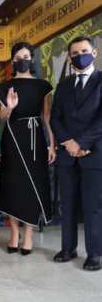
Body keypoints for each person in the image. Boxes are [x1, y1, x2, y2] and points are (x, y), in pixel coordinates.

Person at [0, 42, 56, 255]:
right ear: (13, 61)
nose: (22, 61)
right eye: (18, 58)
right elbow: (1, 116)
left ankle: (28, 235)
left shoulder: (43, 86)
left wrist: (51, 144)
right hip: (12, 137)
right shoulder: (5, 86)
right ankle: (14, 234)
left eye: (26, 57)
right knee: (12, 185)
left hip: (35, 138)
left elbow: (46, 118)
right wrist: (10, 107)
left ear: (32, 59)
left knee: (33, 185)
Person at [51, 36, 102, 271]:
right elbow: (55, 118)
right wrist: (68, 142)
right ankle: (68, 248)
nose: (79, 56)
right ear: (70, 58)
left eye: (84, 51)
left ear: (94, 53)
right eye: (74, 53)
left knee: (93, 206)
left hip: (94, 153)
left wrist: (82, 143)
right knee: (68, 204)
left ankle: (95, 254)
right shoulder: (63, 85)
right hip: (67, 155)